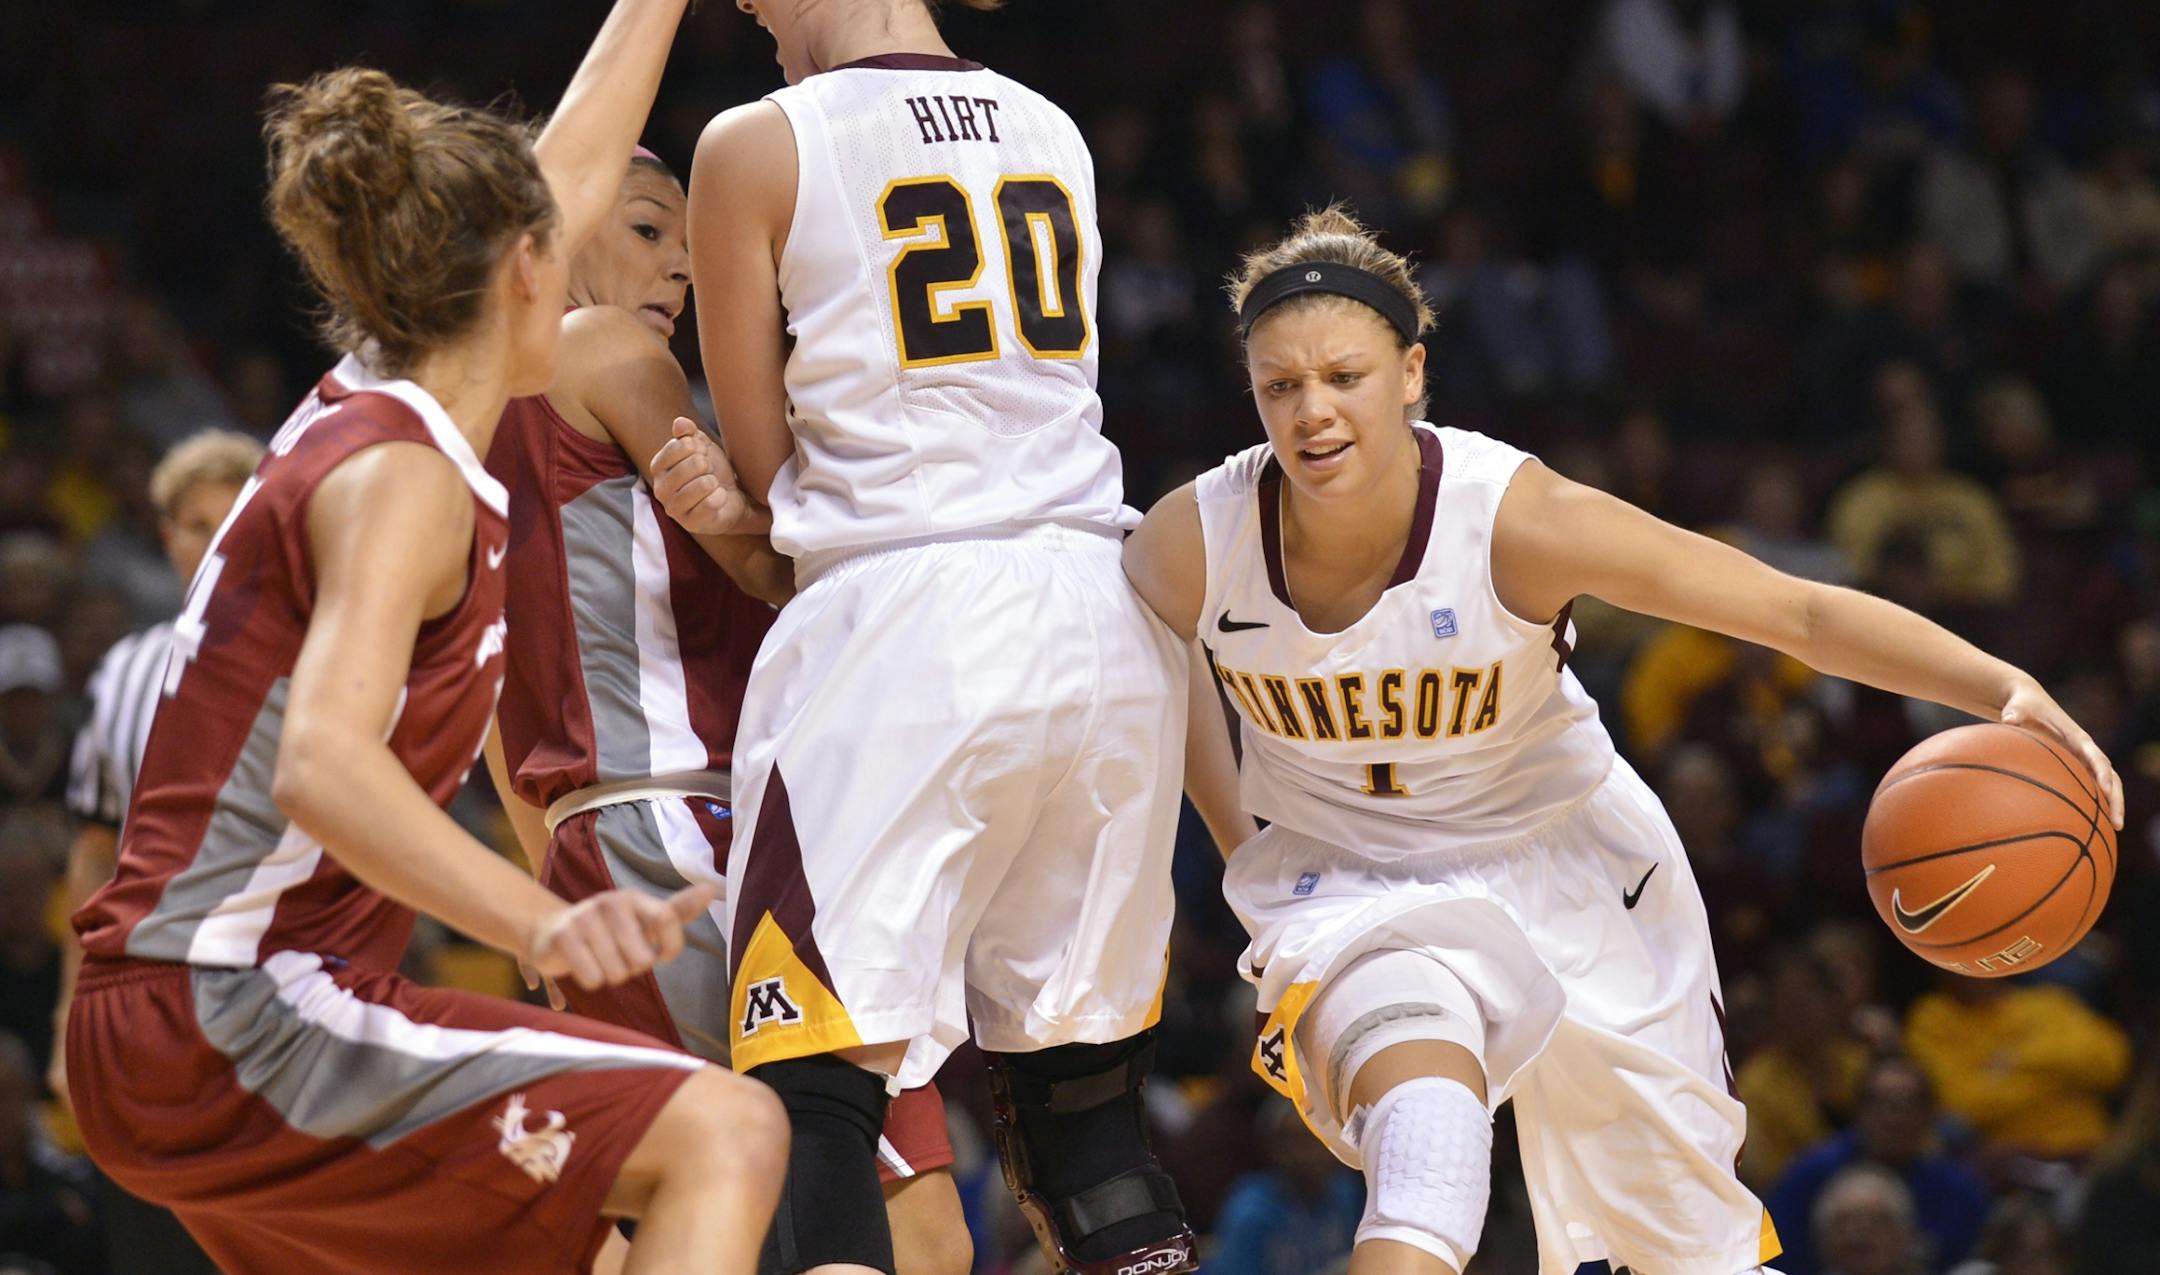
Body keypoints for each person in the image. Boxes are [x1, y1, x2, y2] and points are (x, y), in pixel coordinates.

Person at [1118, 205, 2123, 1275]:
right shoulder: (1198, 538)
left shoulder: (1518, 517)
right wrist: (1245, 850)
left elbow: (1795, 613)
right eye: (1282, 386)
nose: (1312, 412)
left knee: (1689, 1257)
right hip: (1354, 889)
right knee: (1429, 1167)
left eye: (1344, 378)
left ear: (1411, 372)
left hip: (1576, 863)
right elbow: (1152, 680)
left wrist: (2004, 684)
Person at [61, 3, 791, 1271]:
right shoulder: (401, 476)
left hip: (171, 1020)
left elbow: (560, 163)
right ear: (528, 271)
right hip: (238, 1000)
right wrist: (539, 921)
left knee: (605, 1247)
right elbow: (321, 767)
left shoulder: (375, 399)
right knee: (724, 1133)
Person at [652, 1, 1203, 1270]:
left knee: (806, 1090)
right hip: (1101, 612)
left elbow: (763, 461)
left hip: (905, 614)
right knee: (1086, 1120)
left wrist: (746, 514)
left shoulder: (754, 141)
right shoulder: (1051, 126)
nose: (749, 13)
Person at [482, 148, 969, 1275]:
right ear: (548, 236)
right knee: (904, 1223)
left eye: (691, 251)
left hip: (598, 842)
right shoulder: (603, 347)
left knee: (684, 1220)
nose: (681, 268)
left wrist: (548, 907)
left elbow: (505, 735)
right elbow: (767, 571)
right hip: (686, 833)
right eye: (650, 231)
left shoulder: (470, 426)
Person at [1766, 1057, 1989, 1275]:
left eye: (1907, 1106)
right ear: (1859, 1111)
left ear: (1929, 1115)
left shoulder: (1958, 1192)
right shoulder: (1810, 1177)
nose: (1894, 1118)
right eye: (1882, 1104)